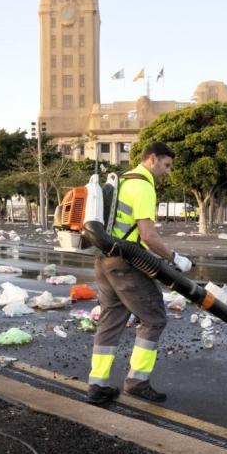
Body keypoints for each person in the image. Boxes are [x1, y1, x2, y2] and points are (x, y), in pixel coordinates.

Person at [87, 142, 192, 405]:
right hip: (125, 262)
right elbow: (148, 235)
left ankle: (97, 385)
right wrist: (174, 257)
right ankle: (137, 381)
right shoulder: (143, 185)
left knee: (111, 320)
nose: (167, 172)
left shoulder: (121, 180)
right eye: (166, 165)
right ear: (152, 159)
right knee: (154, 318)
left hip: (104, 260)